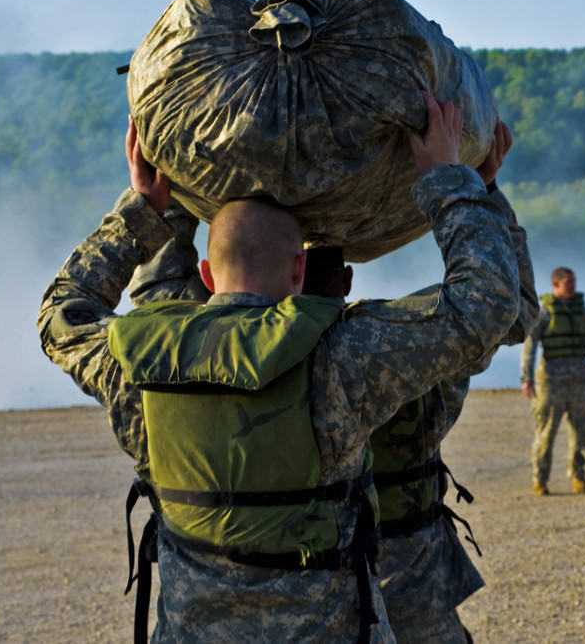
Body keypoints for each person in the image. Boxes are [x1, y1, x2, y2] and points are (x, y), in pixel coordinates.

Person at [37, 95, 528, 642]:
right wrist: (452, 181)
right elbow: (487, 302)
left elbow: (63, 314)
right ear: (300, 268)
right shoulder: (343, 359)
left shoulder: (139, 362)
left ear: (206, 270)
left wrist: (148, 207)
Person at [300, 120, 537, 643]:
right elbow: (512, 312)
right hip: (408, 570)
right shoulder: (410, 348)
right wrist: (475, 187)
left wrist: (163, 208)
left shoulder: (232, 361)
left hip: (298, 587)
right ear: (347, 281)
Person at [521, 267, 585, 495]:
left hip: (579, 380)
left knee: (581, 433)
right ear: (555, 285)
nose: (573, 287)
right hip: (551, 381)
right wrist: (526, 378)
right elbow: (530, 346)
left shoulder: (584, 313)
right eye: (568, 283)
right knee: (546, 432)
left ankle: (579, 478)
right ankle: (540, 480)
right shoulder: (544, 312)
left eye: (574, 282)